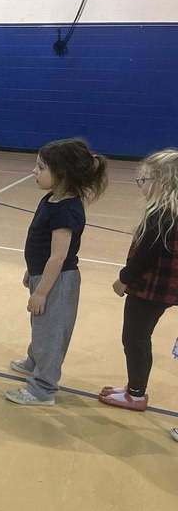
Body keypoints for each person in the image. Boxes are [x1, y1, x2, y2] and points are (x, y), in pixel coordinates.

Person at [6, 138, 107, 405]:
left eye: (40, 167)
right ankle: (34, 361)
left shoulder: (67, 209)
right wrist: (32, 271)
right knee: (40, 325)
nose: (34, 172)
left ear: (62, 173)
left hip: (58, 281)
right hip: (44, 275)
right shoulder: (52, 198)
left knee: (50, 332)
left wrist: (41, 291)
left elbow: (58, 256)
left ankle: (43, 389)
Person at [98, 149, 178, 412]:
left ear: (163, 182)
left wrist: (123, 279)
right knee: (139, 337)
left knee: (134, 337)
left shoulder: (161, 215)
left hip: (151, 288)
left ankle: (136, 394)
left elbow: (145, 255)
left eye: (144, 181)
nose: (140, 186)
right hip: (168, 286)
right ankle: (135, 388)